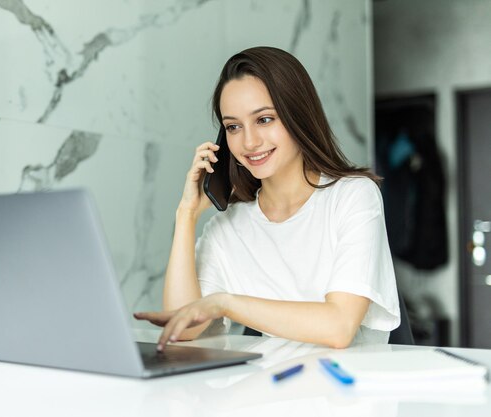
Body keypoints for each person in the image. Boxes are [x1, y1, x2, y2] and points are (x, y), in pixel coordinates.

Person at [134, 46, 400, 351]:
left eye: (264, 120)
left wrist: (225, 304)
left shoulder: (353, 196)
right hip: (273, 390)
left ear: (297, 115)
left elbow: (339, 327)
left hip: (347, 389)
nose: (249, 142)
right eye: (233, 126)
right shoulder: (228, 229)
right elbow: (183, 332)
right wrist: (186, 215)